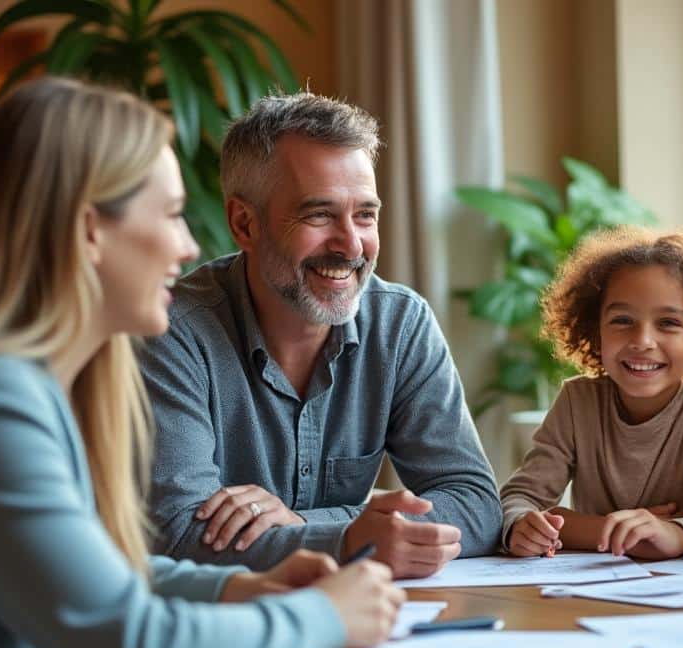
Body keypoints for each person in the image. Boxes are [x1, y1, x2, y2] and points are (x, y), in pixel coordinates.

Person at [0, 77, 403, 648]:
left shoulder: (9, 387)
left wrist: (237, 586)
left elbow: (97, 577)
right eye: (173, 214)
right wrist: (328, 615)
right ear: (90, 229)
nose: (189, 246)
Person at [138, 91, 501, 577]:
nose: (351, 245)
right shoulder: (174, 332)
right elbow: (178, 534)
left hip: (370, 625)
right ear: (244, 224)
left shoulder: (400, 324)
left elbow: (476, 504)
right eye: (319, 215)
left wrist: (317, 526)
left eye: (365, 215)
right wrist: (350, 535)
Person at [500, 226, 683, 561]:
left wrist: (673, 534)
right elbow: (519, 499)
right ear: (594, 330)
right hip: (587, 590)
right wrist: (527, 526)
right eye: (622, 320)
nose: (643, 341)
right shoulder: (578, 402)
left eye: (668, 323)